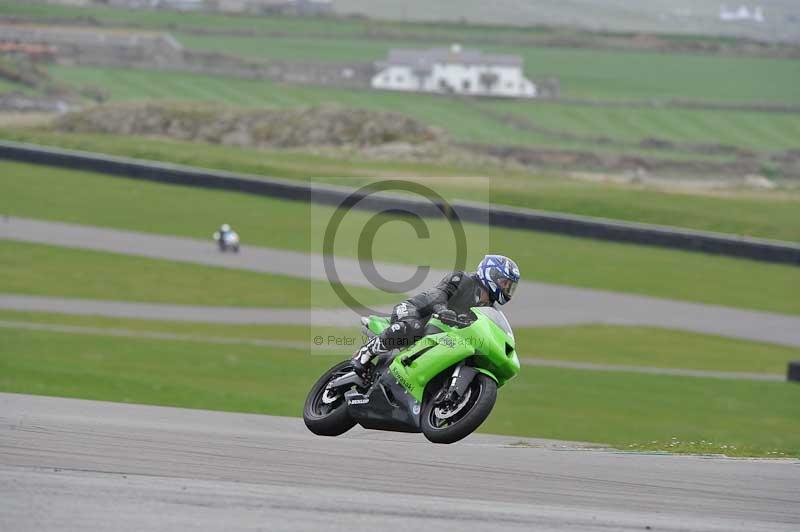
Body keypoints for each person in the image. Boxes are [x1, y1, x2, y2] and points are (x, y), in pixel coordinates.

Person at [352, 254, 520, 377]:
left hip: (439, 333)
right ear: (492, 274)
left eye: (510, 286)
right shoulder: (462, 279)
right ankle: (365, 353)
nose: (507, 289)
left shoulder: (488, 309)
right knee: (412, 327)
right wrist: (441, 309)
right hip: (415, 312)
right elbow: (438, 294)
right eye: (505, 284)